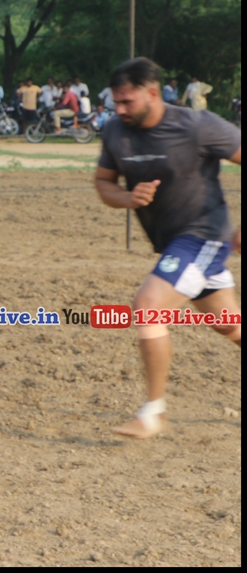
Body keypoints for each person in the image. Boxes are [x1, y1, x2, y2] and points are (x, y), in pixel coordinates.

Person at [94, 57, 241, 439]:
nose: (119, 110)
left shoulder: (196, 126)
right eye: (116, 102)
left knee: (148, 306)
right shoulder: (115, 131)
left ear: (153, 93)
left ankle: (153, 412)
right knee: (229, 325)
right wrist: (127, 198)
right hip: (174, 245)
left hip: (204, 235)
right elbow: (103, 183)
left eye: (127, 101)